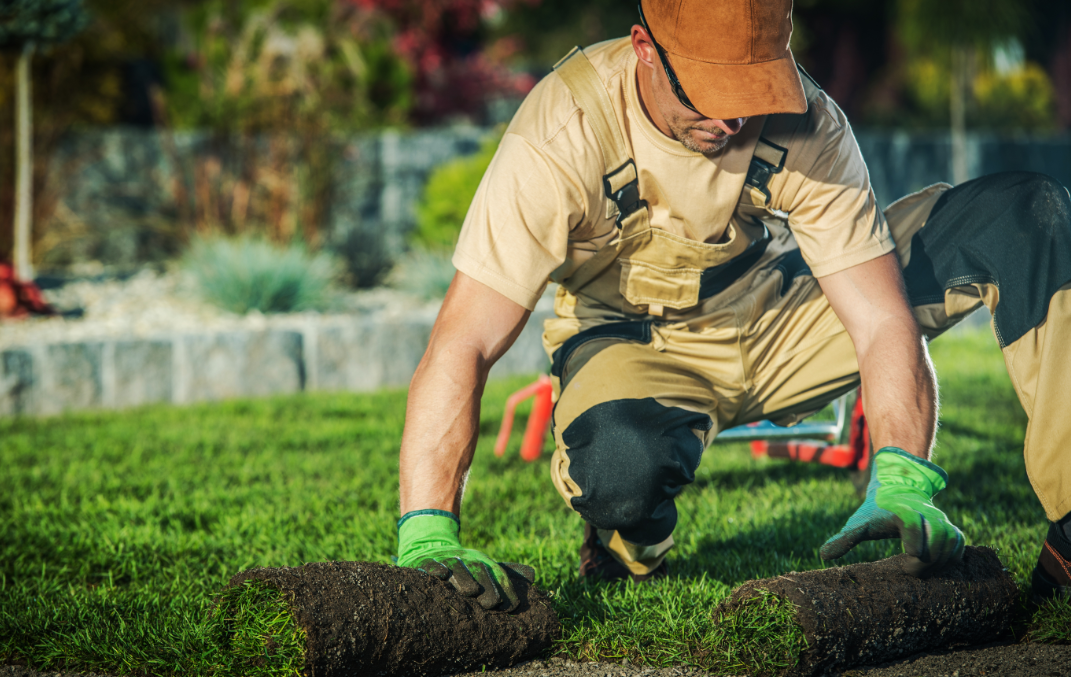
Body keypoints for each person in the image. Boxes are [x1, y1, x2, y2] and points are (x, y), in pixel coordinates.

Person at [395, 0, 1071, 611]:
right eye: (710, 94)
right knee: (620, 470)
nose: (729, 119)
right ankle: (630, 540)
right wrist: (427, 528)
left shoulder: (810, 122)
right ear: (643, 48)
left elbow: (879, 318)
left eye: (750, 92)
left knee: (1024, 213)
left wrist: (900, 475)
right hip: (637, 343)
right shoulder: (562, 130)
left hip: (779, 311)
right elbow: (466, 341)